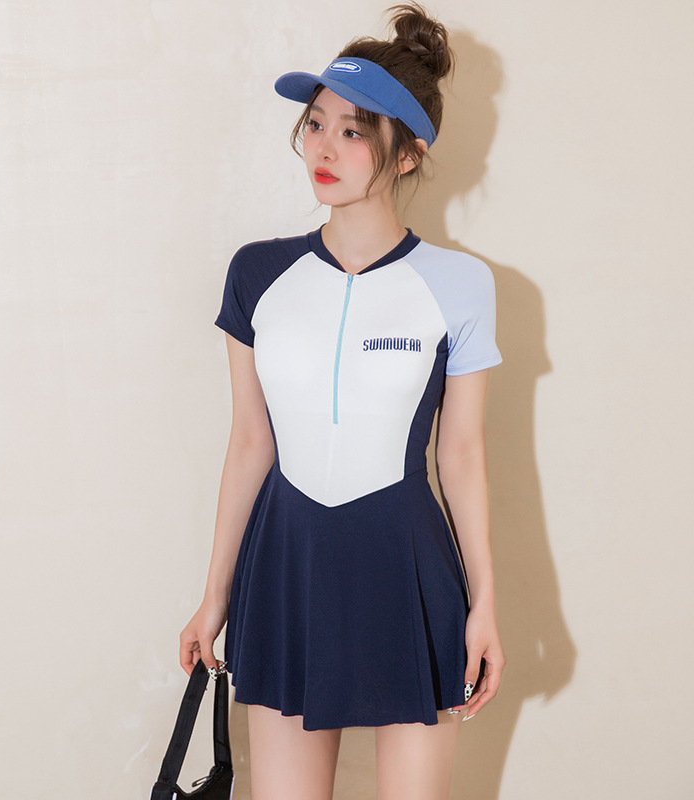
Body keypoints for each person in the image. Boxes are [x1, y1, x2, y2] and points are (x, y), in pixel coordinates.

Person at [179, 4, 505, 798]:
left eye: (353, 131)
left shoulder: (460, 285)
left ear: (408, 153)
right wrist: (213, 596)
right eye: (316, 124)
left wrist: (485, 604)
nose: (323, 148)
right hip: (285, 564)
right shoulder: (257, 274)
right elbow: (250, 442)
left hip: (408, 566)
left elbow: (460, 454)